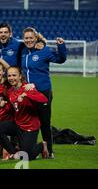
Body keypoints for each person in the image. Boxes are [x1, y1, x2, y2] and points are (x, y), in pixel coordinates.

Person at [20, 27, 67, 159]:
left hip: (42, 92)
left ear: (36, 38)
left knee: (44, 122)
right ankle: (32, 148)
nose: (28, 40)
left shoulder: (44, 50)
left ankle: (49, 151)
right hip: (27, 93)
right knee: (29, 121)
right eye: (26, 38)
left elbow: (61, 59)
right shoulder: (22, 51)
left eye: (31, 38)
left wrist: (61, 45)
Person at [0, 67, 49, 160]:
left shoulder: (28, 88)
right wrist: (4, 106)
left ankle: (42, 146)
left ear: (20, 76)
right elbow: (14, 107)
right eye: (9, 75)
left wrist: (27, 94)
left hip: (30, 127)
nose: (11, 78)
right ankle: (13, 153)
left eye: (14, 75)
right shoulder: (10, 91)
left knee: (26, 157)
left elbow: (44, 99)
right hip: (18, 125)